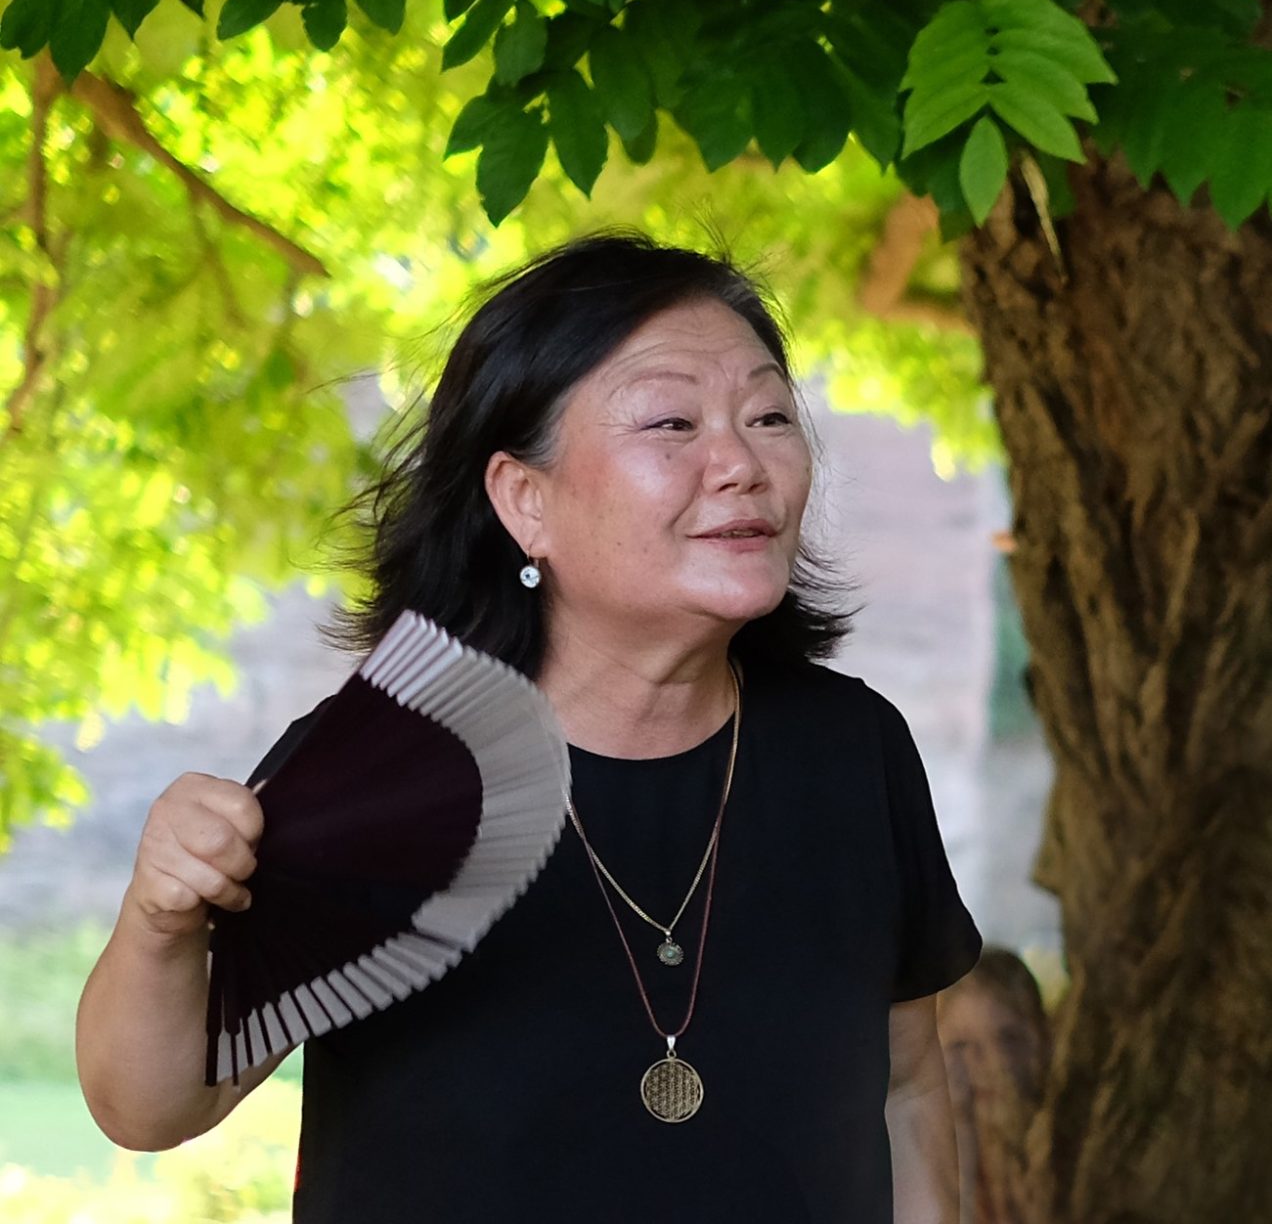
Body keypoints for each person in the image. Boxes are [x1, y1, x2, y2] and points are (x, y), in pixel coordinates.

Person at [77, 232, 984, 1222]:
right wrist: (161, 919)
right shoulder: (384, 771)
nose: (741, 463)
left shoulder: (852, 752)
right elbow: (152, 1105)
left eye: (768, 416)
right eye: (672, 422)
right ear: (525, 500)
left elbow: (906, 1090)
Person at [936, 947, 1052, 1224]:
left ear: (1046, 1042)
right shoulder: (919, 1173)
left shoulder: (1073, 1161)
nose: (993, 1062)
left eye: (1010, 1039)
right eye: (961, 1046)